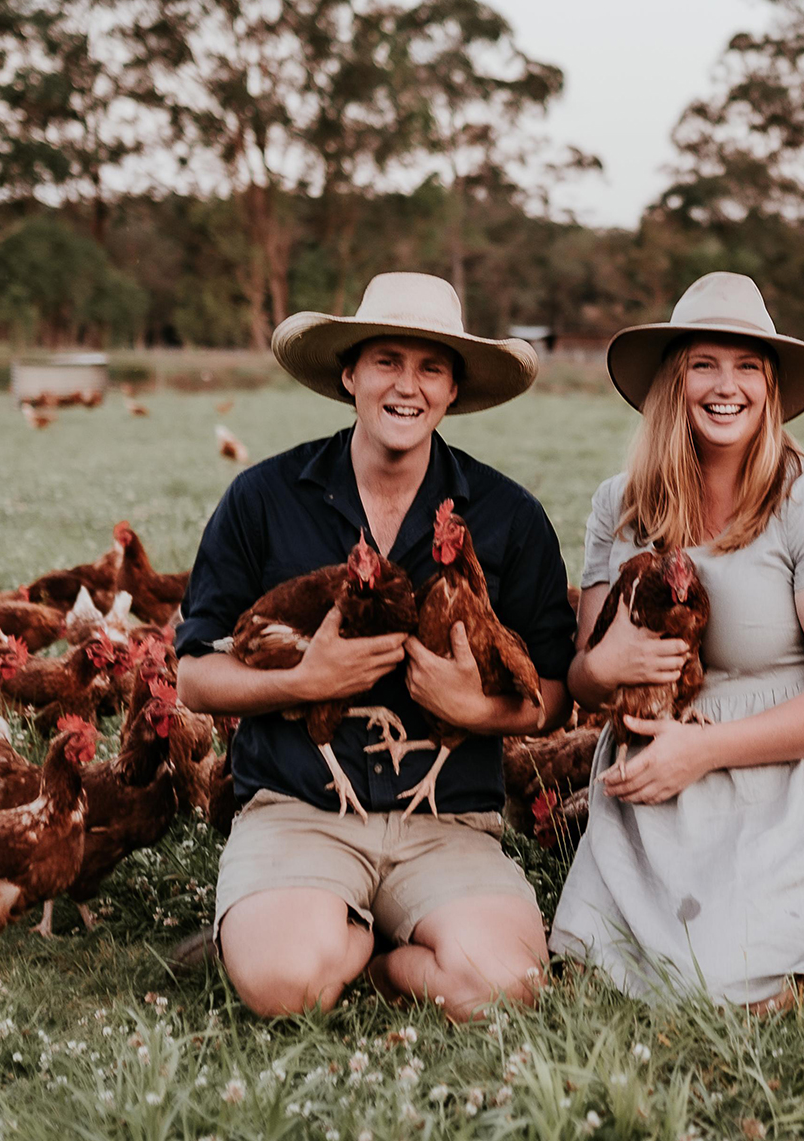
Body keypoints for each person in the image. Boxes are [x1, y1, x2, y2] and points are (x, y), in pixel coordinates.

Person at [176, 272, 576, 1020]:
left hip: (446, 820)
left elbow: (552, 695)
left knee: (508, 988)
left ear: (454, 389)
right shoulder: (264, 499)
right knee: (285, 987)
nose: (407, 385)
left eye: (431, 367)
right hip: (300, 806)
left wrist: (476, 708)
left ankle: (374, 956)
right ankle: (300, 926)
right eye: (387, 360)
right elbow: (195, 676)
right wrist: (302, 680)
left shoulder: (507, 516)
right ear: (349, 373)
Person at [549, 272, 804, 1010]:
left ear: (769, 385)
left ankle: (799, 938)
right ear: (675, 381)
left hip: (791, 777)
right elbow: (582, 676)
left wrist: (704, 748)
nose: (724, 385)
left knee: (720, 982)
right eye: (704, 364)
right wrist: (601, 666)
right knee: (587, 975)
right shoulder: (621, 503)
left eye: (746, 366)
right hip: (655, 767)